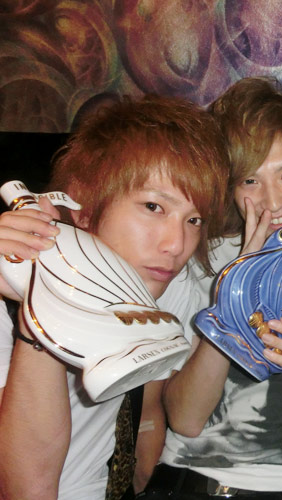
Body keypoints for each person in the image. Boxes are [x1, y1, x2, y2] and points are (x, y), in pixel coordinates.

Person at [0, 95, 230, 499]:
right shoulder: (9, 296)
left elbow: (151, 407)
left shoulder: (163, 282)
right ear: (84, 208)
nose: (176, 244)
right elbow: (28, 490)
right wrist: (39, 304)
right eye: (153, 206)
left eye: (194, 219)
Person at [145, 77, 282, 500]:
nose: (271, 201)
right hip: (185, 480)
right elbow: (185, 420)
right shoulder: (200, 259)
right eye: (249, 181)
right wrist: (236, 290)